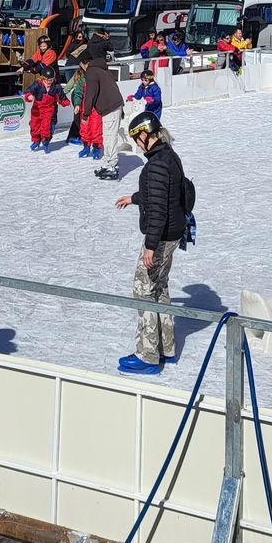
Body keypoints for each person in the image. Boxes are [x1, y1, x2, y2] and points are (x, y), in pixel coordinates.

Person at [113, 110, 190, 374]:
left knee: (143, 290)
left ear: (145, 135)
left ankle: (147, 356)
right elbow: (161, 193)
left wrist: (150, 245)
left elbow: (158, 209)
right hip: (172, 234)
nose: (136, 144)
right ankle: (166, 348)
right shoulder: (168, 155)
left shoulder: (156, 164)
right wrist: (133, 198)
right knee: (159, 289)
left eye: (137, 139)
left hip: (161, 237)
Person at [80, 44, 126, 179]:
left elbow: (90, 94)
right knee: (107, 137)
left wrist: (86, 114)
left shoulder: (92, 71)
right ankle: (107, 164)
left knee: (109, 137)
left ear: (84, 63)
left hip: (110, 108)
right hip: (114, 106)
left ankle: (112, 166)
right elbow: (114, 88)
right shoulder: (102, 70)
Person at [25, 62, 70, 152]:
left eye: (51, 80)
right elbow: (29, 91)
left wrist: (65, 102)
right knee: (34, 125)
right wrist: (29, 96)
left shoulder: (56, 86)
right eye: (47, 80)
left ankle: (45, 142)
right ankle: (36, 140)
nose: (49, 82)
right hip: (37, 109)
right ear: (43, 78)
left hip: (48, 109)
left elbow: (61, 96)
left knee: (46, 127)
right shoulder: (38, 84)